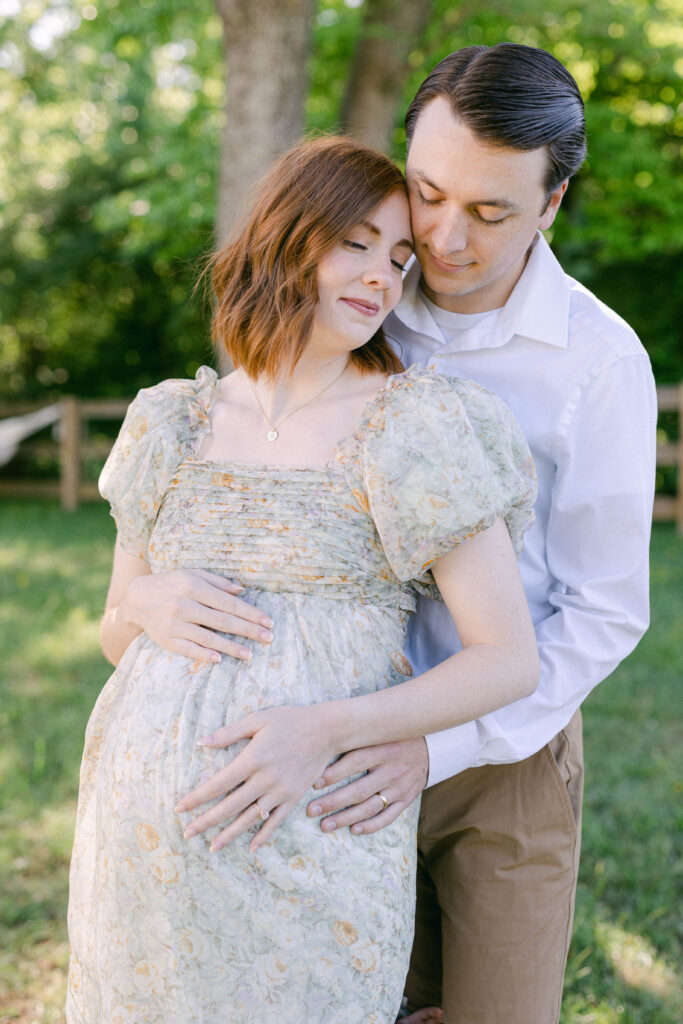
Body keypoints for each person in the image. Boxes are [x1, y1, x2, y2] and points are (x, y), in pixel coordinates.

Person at [127, 45, 657, 1024]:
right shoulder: (358, 285)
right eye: (427, 192)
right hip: (315, 732)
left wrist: (439, 743)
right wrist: (146, 596)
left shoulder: (595, 362)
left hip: (503, 748)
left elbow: (605, 606)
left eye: (490, 211)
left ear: (550, 203)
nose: (445, 238)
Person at [66, 135, 540, 1024]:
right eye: (355, 243)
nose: (381, 276)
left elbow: (507, 658)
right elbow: (113, 634)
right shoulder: (172, 421)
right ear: (286, 237)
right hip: (138, 843)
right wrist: (138, 599)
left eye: (399, 258)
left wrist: (323, 730)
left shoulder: (412, 425)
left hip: (313, 831)